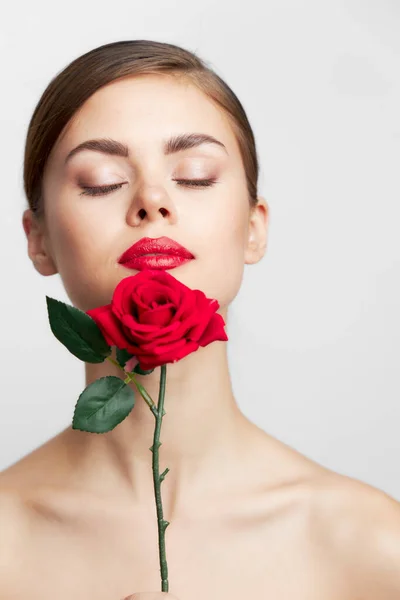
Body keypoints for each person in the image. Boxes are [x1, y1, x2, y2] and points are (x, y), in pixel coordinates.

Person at [0, 39, 399, 600]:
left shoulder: (372, 547)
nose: (153, 199)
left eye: (194, 174)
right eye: (101, 179)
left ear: (254, 227)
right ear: (38, 241)